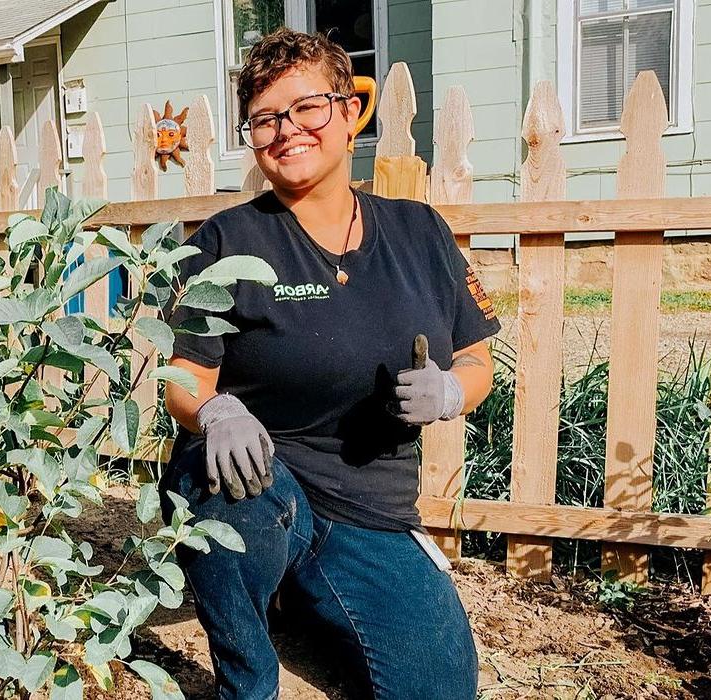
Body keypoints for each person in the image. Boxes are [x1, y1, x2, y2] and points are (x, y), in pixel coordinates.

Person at [163, 29, 499, 700]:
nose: (287, 131)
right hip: (263, 486)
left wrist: (449, 393)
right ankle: (248, 674)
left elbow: (477, 360)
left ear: (350, 111)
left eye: (307, 107)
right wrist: (217, 410)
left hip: (371, 509)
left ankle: (304, 595)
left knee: (441, 687)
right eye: (265, 119)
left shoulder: (420, 231)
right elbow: (185, 384)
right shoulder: (227, 241)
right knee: (223, 474)